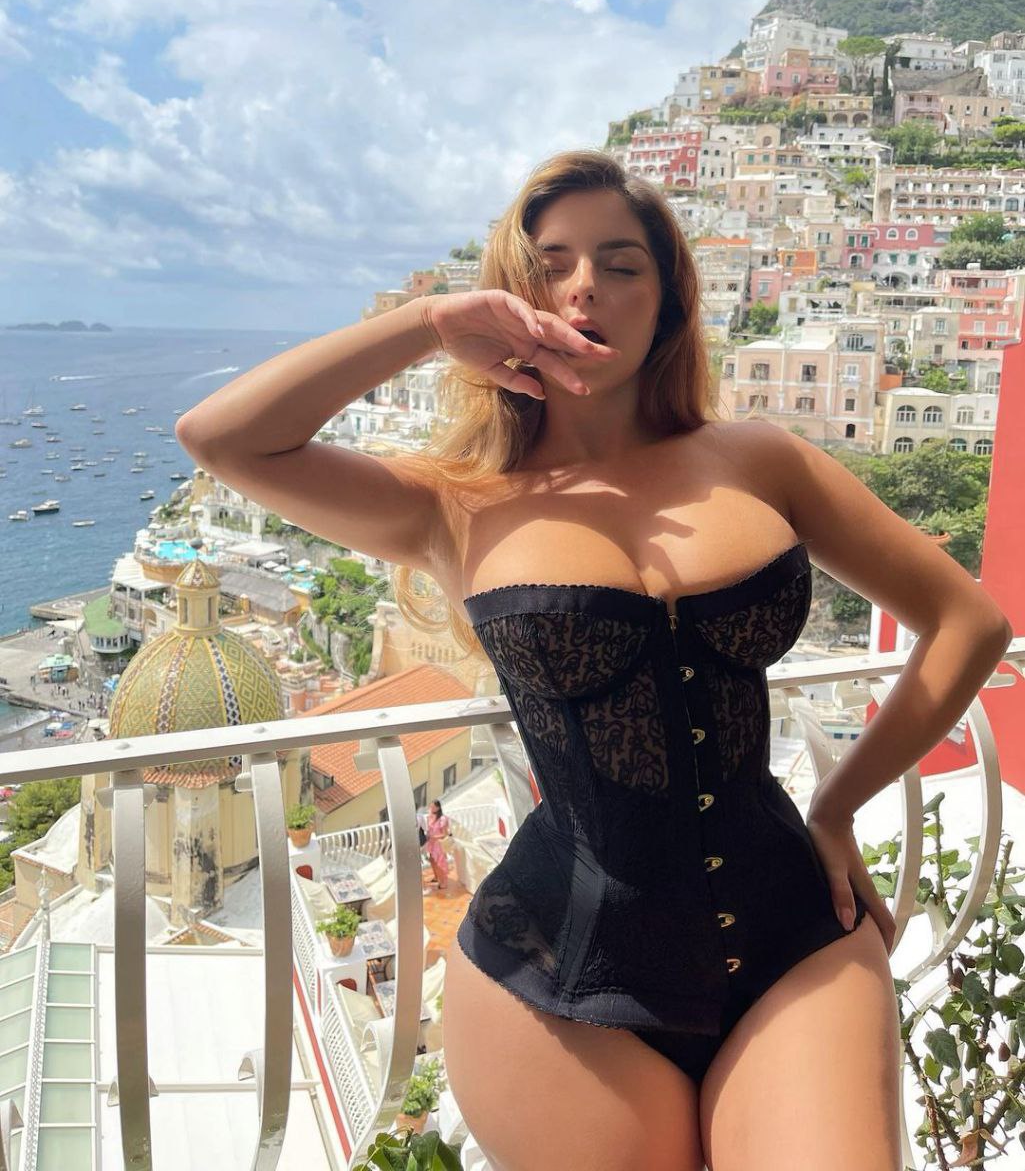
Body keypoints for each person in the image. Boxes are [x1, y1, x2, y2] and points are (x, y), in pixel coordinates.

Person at [174, 149, 1012, 1171]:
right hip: (555, 978)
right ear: (510, 296)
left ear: (667, 300)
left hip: (791, 930)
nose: (583, 287)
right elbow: (221, 437)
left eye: (621, 264)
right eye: (549, 265)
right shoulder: (452, 502)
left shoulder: (759, 458)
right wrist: (430, 321)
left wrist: (836, 806)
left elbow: (965, 621)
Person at [425, 800, 452, 893]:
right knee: (432, 860)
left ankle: (443, 882)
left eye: (433, 807)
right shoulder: (431, 817)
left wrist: (434, 837)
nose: (431, 809)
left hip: (438, 844)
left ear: (438, 807)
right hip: (432, 843)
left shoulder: (442, 819)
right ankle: (437, 877)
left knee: (440, 863)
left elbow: (445, 834)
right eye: (430, 807)